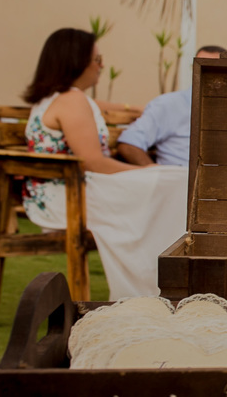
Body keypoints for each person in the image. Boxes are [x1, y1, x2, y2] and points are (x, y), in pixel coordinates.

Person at [22, 28, 189, 299]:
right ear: (76, 61)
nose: (102, 66)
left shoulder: (59, 98)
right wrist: (145, 170)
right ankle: (162, 282)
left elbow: (98, 107)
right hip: (69, 197)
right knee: (177, 180)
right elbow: (93, 163)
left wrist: (136, 109)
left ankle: (159, 278)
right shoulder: (72, 101)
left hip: (60, 192)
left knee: (173, 180)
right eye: (97, 59)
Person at [117, 45, 226, 166]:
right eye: (199, 67)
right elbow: (129, 143)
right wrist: (156, 172)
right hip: (177, 175)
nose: (205, 73)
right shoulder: (169, 104)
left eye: (214, 69)